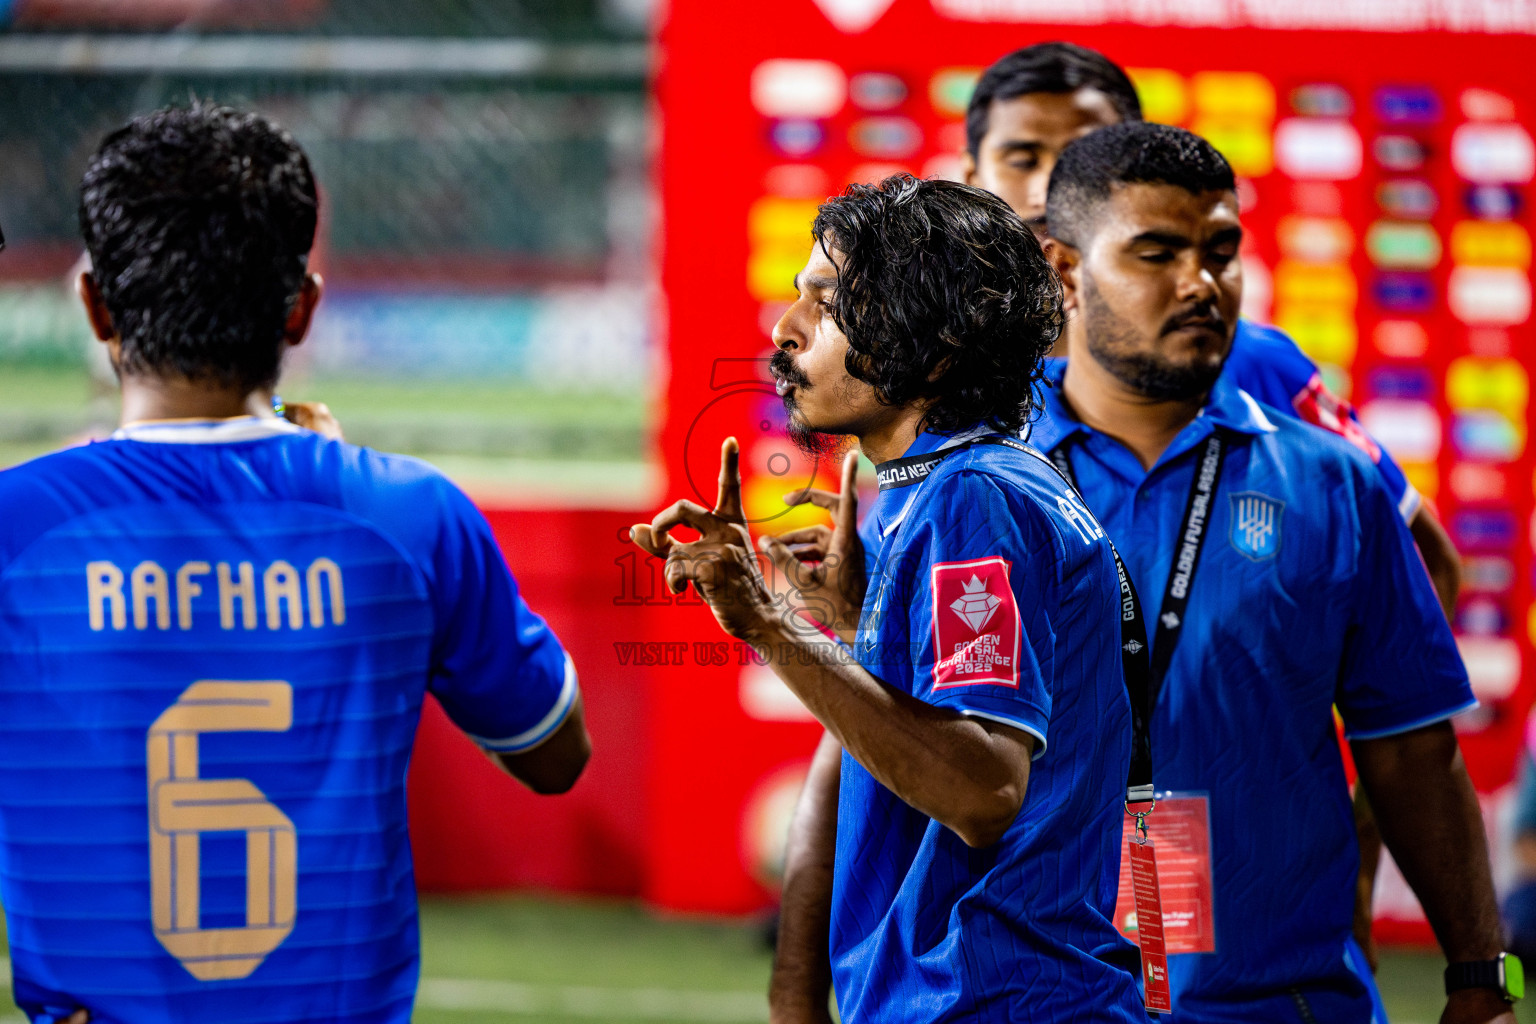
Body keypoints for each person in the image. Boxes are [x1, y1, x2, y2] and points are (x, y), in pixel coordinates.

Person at [0, 102, 591, 1023]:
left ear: (95, 307)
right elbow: (556, 751)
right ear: (303, 307)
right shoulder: (410, 515)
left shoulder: (17, 530)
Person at [632, 176, 1146, 1022]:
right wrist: (853, 622)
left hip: (993, 1001)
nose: (784, 328)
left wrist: (767, 624)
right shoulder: (942, 486)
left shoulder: (975, 496)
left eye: (826, 304)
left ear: (937, 347)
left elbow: (982, 792)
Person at [1027, 121, 1507, 1022]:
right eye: (1156, 253)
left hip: (1283, 1003)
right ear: (1063, 271)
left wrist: (1482, 977)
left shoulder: (1334, 483)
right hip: (1038, 1002)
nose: (1200, 283)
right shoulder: (981, 481)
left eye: (1220, 250)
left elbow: (1412, 751)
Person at [962, 42, 1461, 615]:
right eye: (1023, 158)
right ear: (973, 176)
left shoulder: (1254, 361)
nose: (1051, 184)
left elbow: (1426, 561)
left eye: (1083, 154)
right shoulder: (946, 386)